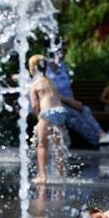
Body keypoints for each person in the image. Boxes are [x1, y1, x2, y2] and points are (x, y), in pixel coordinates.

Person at [45, 55, 109, 147]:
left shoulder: (62, 66)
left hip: (69, 102)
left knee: (85, 109)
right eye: (62, 50)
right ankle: (98, 143)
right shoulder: (46, 70)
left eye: (65, 51)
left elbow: (68, 89)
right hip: (56, 104)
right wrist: (70, 102)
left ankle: (102, 135)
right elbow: (52, 94)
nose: (64, 53)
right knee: (75, 116)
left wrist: (74, 102)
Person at [30, 54, 68, 183]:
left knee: (42, 146)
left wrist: (38, 117)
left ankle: (42, 176)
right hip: (61, 111)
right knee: (58, 145)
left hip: (47, 113)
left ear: (32, 68)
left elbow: (34, 104)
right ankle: (60, 175)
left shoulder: (35, 84)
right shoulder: (51, 81)